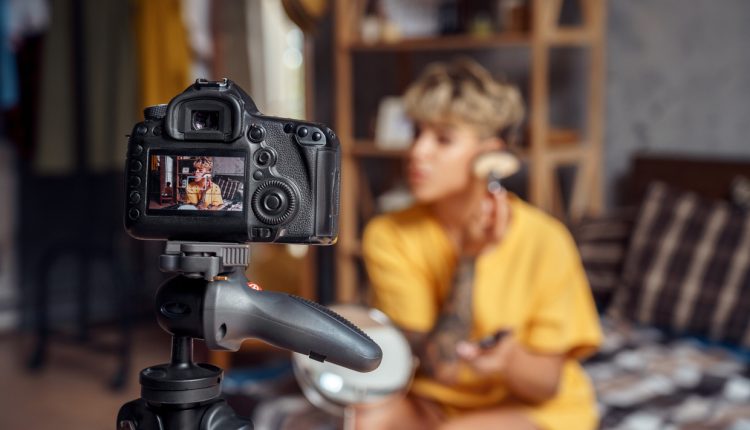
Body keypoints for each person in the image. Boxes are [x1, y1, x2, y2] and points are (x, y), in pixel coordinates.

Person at [360, 58, 602, 430]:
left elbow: (546, 385)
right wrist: (469, 259)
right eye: (416, 133)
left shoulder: (546, 240)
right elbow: (441, 368)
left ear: (492, 155)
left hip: (529, 408)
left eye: (443, 138)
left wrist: (509, 361)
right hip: (434, 398)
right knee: (363, 419)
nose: (418, 152)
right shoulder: (387, 234)